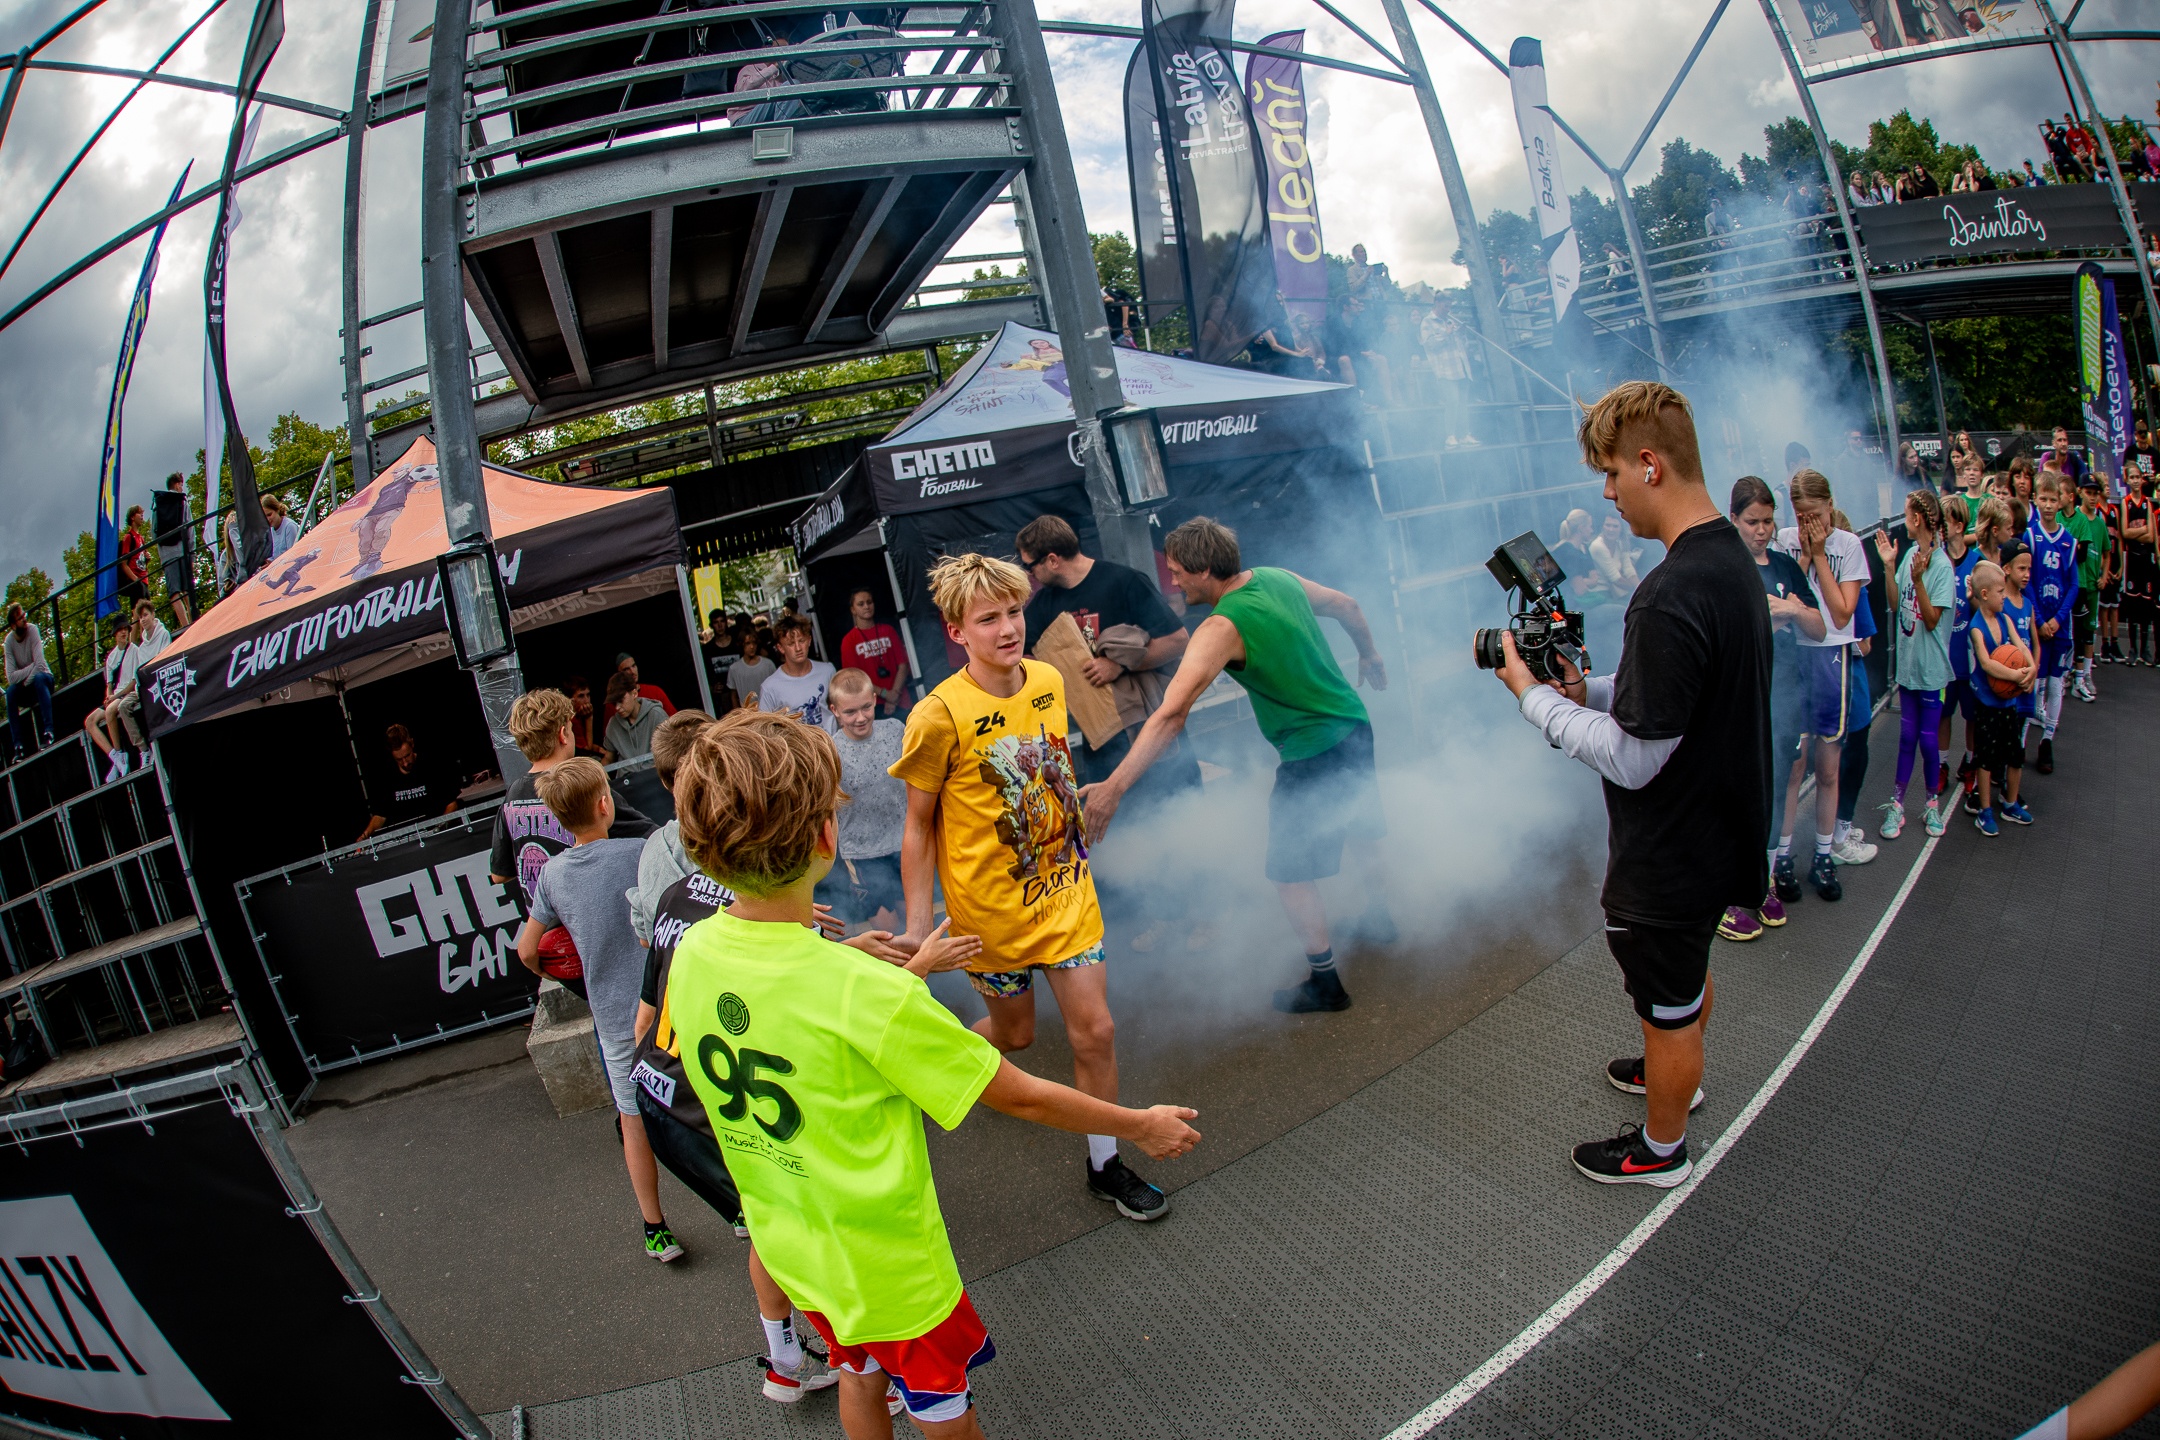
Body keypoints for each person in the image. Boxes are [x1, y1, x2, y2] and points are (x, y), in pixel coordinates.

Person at [670, 713, 1199, 1440]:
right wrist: (1139, 1124)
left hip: (796, 1246)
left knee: (860, 1374)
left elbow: (787, 1010)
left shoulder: (694, 952)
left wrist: (857, 963)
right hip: (890, 1270)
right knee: (942, 1412)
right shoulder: (866, 993)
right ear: (825, 839)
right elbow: (1020, 1095)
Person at [1491, 381, 1770, 1187]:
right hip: (1720, 834)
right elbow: (1680, 694)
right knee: (1680, 984)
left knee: (1668, 1006)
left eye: (1611, 474)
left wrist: (1534, 699)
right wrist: (1593, 690)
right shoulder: (1727, 560)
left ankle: (1660, 1150)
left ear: (1649, 465)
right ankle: (1670, 1069)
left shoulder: (1670, 591)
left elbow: (1635, 757)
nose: (1608, 494)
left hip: (1672, 854)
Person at [893, 554, 1173, 1221]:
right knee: (1015, 1037)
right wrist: (916, 927)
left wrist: (1082, 798)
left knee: (1095, 1032)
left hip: (1065, 894)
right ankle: (934, 1066)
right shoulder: (937, 715)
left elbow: (1051, 765)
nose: (1008, 628)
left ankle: (1104, 1164)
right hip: (987, 919)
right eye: (987, 619)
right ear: (956, 631)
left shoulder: (1048, 677)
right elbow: (917, 827)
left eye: (1014, 612)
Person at [1080, 518, 1395, 1013]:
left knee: (1288, 873)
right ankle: (1380, 918)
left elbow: (1171, 715)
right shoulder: (1277, 577)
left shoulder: (1219, 628)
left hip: (1311, 749)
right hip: (1354, 723)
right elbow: (1347, 605)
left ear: (1205, 569)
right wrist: (1369, 655)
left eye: (1178, 572)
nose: (1174, 582)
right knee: (1359, 824)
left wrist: (1114, 786)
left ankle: (1325, 984)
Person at [513, 759, 685, 1263]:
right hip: (668, 1004)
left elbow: (527, 950)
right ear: (605, 804)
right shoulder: (640, 852)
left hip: (612, 1019)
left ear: (557, 818)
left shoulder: (551, 876)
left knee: (633, 1120)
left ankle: (655, 1228)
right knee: (700, 1103)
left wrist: (569, 974)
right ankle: (739, 1209)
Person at [1016, 515, 1202, 954]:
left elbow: (1178, 640)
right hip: (1100, 741)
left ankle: (1202, 918)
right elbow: (1024, 661)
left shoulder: (1124, 581)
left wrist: (1120, 663)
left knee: (1177, 822)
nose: (1029, 574)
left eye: (1030, 565)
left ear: (1053, 559)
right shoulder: (1042, 606)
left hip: (1149, 733)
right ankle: (1164, 918)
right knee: (1135, 830)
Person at [490, 689, 654, 997]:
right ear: (564, 734)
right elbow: (652, 838)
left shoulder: (512, 796)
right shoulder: (581, 787)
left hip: (554, 946)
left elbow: (499, 874)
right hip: (603, 936)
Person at [1724, 477, 1822, 943]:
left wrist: (1791, 610)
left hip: (1783, 697)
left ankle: (1760, 884)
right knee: (1735, 794)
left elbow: (1819, 627)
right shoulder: (1726, 568)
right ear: (1734, 520)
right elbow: (1726, 634)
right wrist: (1771, 618)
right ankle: (1725, 895)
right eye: (1752, 522)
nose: (1761, 531)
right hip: (1740, 700)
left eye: (1767, 521)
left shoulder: (1784, 565)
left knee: (1777, 787)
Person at [1773, 470, 1866, 902]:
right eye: (1801, 516)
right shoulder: (1783, 542)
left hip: (1831, 658)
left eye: (1816, 514)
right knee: (1794, 766)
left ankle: (1825, 854)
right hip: (1794, 658)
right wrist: (1805, 558)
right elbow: (1786, 599)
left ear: (1830, 505)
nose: (1809, 524)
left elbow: (1841, 613)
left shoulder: (1849, 545)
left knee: (1828, 766)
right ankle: (1783, 856)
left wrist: (1822, 554)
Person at [1873, 491, 1953, 841]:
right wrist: (1890, 567)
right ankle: (1897, 804)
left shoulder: (1942, 567)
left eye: (1906, 514)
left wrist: (1919, 580)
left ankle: (1932, 804)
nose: (1903, 520)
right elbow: (1895, 604)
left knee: (1928, 741)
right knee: (1907, 737)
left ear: (1917, 519)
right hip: (1908, 668)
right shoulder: (1908, 555)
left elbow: (1932, 620)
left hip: (1931, 672)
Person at [818, 668, 906, 930]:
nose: (860, 717)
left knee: (915, 920)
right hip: (862, 854)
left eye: (866, 707)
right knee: (889, 931)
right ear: (834, 710)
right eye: (850, 712)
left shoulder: (895, 730)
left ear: (875, 700)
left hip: (905, 842)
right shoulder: (831, 751)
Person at [1967, 556, 2036, 835]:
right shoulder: (1976, 627)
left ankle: (2010, 803)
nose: (2004, 597)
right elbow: (1986, 663)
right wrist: (2017, 676)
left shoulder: (2005, 619)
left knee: (2015, 754)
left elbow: (2021, 646)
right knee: (1986, 759)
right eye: (2000, 592)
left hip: (2008, 703)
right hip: (1987, 704)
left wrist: (2031, 668)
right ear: (1985, 594)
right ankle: (1984, 811)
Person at [2026, 474, 2080, 773]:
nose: (2048, 504)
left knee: (2056, 684)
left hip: (2060, 627)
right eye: (2043, 499)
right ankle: (2021, 740)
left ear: (2061, 501)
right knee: (2034, 684)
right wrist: (2039, 619)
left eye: (2053, 499)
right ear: (2036, 500)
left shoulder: (2069, 541)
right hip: (2036, 626)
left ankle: (2047, 740)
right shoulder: (2030, 537)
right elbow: (2026, 582)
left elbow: (2074, 585)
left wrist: (2058, 620)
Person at [355, 723, 462, 842]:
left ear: (412, 744)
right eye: (399, 759)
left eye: (407, 756)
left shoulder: (432, 766)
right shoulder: (386, 776)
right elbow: (380, 815)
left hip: (437, 836)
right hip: (406, 841)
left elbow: (452, 804)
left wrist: (440, 827)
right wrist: (365, 836)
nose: (405, 763)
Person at [100, 598, 169, 761]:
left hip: (154, 685)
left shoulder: (161, 636)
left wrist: (116, 696)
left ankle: (149, 746)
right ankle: (140, 750)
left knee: (121, 706)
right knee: (120, 708)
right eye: (140, 617)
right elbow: (134, 676)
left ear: (153, 615)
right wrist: (111, 696)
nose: (143, 619)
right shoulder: (142, 647)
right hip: (139, 689)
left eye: (146, 615)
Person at [2066, 475, 2110, 702]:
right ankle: (2069, 671)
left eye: (2096, 493)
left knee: (2089, 630)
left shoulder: (2100, 523)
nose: (2092, 498)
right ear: (2080, 492)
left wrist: (2104, 575)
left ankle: (2086, 674)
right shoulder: (2075, 517)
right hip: (2075, 584)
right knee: (2071, 630)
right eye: (2089, 493)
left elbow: (2107, 552)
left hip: (2093, 584)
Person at [838, 589, 910, 717]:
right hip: (873, 706)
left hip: (900, 700)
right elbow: (855, 678)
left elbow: (903, 665)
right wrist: (886, 694)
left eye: (869, 602)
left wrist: (894, 695)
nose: (866, 606)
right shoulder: (849, 641)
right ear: (853, 610)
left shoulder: (888, 630)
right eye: (861, 604)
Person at [759, 614, 837, 732]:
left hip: (831, 741)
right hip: (797, 743)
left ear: (809, 640)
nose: (798, 648)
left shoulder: (828, 671)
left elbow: (843, 709)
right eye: (791, 644)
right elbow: (764, 730)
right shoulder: (769, 687)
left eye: (801, 641)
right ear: (780, 648)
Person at [84, 613, 136, 781]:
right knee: (90, 721)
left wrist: (114, 697)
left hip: (126, 694)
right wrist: (109, 697)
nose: (123, 632)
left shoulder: (134, 650)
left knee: (110, 710)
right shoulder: (111, 657)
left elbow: (133, 682)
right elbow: (110, 684)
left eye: (125, 629)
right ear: (115, 634)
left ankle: (120, 752)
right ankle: (115, 757)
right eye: (120, 630)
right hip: (115, 695)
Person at [4, 604, 55, 757]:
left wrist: (26, 681)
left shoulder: (33, 630)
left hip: (44, 680)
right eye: (20, 618)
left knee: (39, 678)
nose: (24, 619)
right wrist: (31, 667)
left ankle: (49, 732)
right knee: (10, 692)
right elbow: (11, 677)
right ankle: (18, 746)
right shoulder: (9, 642)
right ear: (13, 625)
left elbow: (40, 665)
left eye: (24, 615)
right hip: (27, 689)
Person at [2122, 469, 2157, 664]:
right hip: (2132, 559)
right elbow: (2124, 532)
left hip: (2145, 559)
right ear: (2127, 480)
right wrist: (2143, 529)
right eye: (2132, 477)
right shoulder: (2126, 503)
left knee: (2145, 604)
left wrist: (2137, 532)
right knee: (2132, 604)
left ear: (2143, 480)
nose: (2135, 481)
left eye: (2138, 477)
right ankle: (2133, 648)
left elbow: (2151, 536)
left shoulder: (2147, 503)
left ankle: (2145, 648)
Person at [153, 473, 193, 629]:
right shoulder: (182, 501)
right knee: (187, 588)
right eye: (181, 484)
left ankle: (185, 625)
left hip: (167, 555)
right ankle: (194, 620)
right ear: (176, 484)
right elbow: (189, 528)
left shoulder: (158, 504)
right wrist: (192, 552)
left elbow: (154, 533)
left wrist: (162, 555)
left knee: (174, 592)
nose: (182, 487)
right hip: (182, 550)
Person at [605, 671, 665, 761]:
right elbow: (608, 758)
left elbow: (671, 751)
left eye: (621, 700)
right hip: (626, 770)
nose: (617, 707)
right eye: (614, 703)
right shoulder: (613, 724)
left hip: (654, 769)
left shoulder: (656, 715)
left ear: (634, 693)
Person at [1589, 511, 1643, 602]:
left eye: (1615, 526)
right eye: (1608, 525)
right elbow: (1615, 579)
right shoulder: (1598, 546)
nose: (1611, 529)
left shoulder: (1620, 544)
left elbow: (1628, 569)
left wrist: (1640, 587)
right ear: (1602, 526)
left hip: (1616, 593)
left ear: (1621, 528)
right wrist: (1638, 590)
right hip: (1601, 593)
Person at [729, 631, 777, 708]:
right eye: (748, 643)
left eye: (754, 643)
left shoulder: (768, 664)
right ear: (742, 644)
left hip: (768, 711)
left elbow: (777, 689)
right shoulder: (734, 669)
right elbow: (733, 696)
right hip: (747, 712)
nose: (752, 647)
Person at [116, 505, 150, 608]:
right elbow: (123, 563)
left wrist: (147, 559)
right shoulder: (128, 537)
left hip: (144, 579)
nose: (142, 516)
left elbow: (141, 561)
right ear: (132, 517)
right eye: (139, 513)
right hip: (135, 579)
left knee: (147, 608)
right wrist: (135, 580)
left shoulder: (141, 538)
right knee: (138, 608)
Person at [261, 494, 301, 559]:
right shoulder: (271, 530)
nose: (268, 519)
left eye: (269, 515)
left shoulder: (289, 526)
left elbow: (294, 555)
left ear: (277, 510)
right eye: (264, 517)